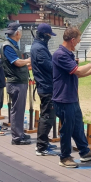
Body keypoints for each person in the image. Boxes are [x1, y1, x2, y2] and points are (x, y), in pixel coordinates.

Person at [52, 27, 91, 167]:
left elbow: (78, 74)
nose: (79, 43)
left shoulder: (68, 54)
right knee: (67, 128)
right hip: (63, 98)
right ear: (73, 41)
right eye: (79, 40)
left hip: (71, 97)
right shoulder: (60, 54)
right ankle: (64, 157)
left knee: (78, 126)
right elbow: (77, 70)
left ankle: (84, 151)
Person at [1, 22, 32, 145]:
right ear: (18, 33)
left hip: (19, 81)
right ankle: (17, 137)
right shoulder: (8, 46)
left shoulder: (12, 45)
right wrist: (28, 60)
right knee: (17, 110)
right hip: (16, 82)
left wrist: (27, 63)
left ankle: (20, 133)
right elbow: (17, 62)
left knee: (19, 110)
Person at [30, 23, 59, 156]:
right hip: (46, 86)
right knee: (47, 116)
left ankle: (44, 142)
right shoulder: (39, 49)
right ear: (43, 35)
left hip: (45, 85)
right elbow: (50, 66)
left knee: (47, 115)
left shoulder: (39, 46)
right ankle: (41, 146)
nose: (50, 38)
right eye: (48, 35)